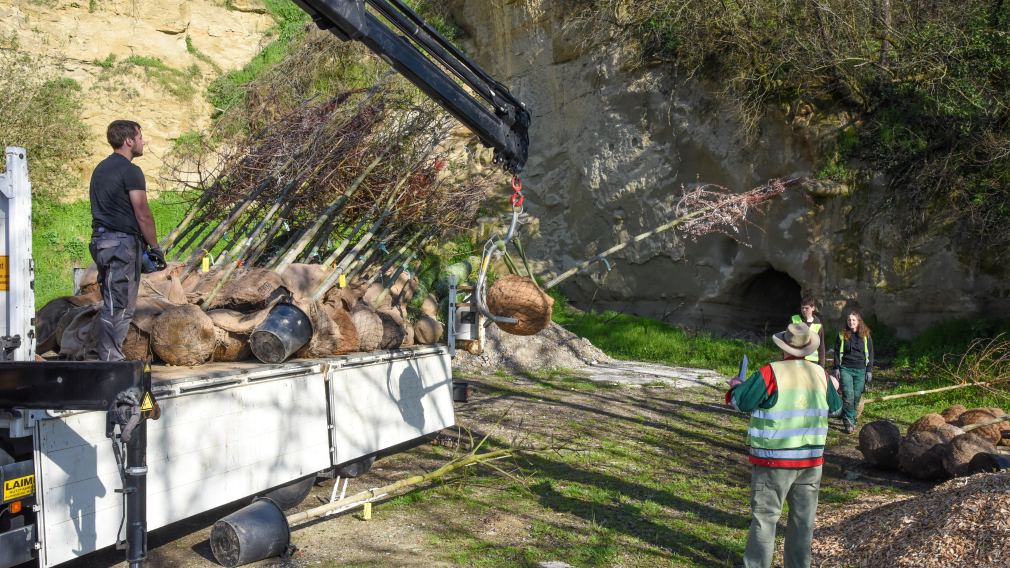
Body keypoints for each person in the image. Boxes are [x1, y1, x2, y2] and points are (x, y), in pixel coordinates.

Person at [726, 322, 841, 568]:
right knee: (803, 522)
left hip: (773, 461)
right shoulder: (821, 374)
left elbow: (741, 402)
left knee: (765, 520)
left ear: (784, 347)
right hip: (811, 462)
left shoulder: (771, 372)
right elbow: (837, 408)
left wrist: (736, 386)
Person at [88, 120, 165, 361]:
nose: (143, 142)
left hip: (102, 242)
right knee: (120, 306)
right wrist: (155, 247)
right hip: (121, 244)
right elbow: (142, 211)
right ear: (129, 141)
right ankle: (111, 362)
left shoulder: (100, 169)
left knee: (112, 300)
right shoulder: (131, 171)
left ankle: (107, 356)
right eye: (140, 137)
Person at [833, 310, 874, 434]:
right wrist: (836, 368)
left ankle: (850, 417)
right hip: (846, 368)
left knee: (856, 396)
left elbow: (871, 353)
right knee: (848, 395)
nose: (851, 322)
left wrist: (869, 370)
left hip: (861, 369)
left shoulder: (866, 335)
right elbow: (835, 352)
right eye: (849, 320)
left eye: (854, 320)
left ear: (858, 321)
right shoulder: (842, 335)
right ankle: (849, 422)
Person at [790, 297, 826, 367]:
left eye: (806, 308)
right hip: (796, 358)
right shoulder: (794, 320)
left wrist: (821, 365)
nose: (803, 310)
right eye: (802, 308)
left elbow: (821, 346)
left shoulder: (818, 325)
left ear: (813, 308)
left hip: (812, 361)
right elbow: (787, 340)